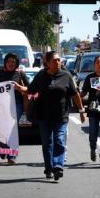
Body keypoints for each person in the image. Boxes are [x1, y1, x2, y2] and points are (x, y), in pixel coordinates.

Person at [14, 51, 85, 181]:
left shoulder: (66, 75)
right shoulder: (41, 76)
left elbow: (75, 94)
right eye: (54, 60)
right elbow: (30, 90)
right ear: (47, 63)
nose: (58, 62)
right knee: (47, 143)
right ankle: (49, 168)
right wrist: (19, 88)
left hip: (61, 116)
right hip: (44, 117)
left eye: (59, 60)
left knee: (59, 140)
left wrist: (81, 110)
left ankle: (58, 166)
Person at [0, 53, 29, 164]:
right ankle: (3, 149)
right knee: (1, 128)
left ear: (16, 63)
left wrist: (19, 87)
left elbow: (29, 88)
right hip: (0, 106)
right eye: (9, 61)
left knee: (12, 129)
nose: (11, 64)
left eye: (13, 62)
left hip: (16, 105)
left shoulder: (20, 74)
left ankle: (12, 155)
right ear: (5, 63)